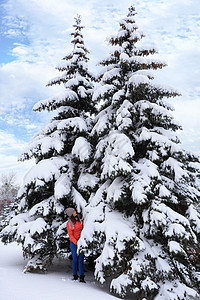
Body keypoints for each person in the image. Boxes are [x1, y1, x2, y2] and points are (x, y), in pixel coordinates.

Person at [65, 207, 85, 283]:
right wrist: (76, 242)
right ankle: (75, 275)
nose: (76, 212)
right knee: (75, 260)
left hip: (81, 243)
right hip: (74, 244)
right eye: (74, 211)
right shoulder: (69, 223)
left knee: (81, 260)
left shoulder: (79, 220)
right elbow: (71, 236)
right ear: (71, 214)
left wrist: (81, 241)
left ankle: (82, 276)